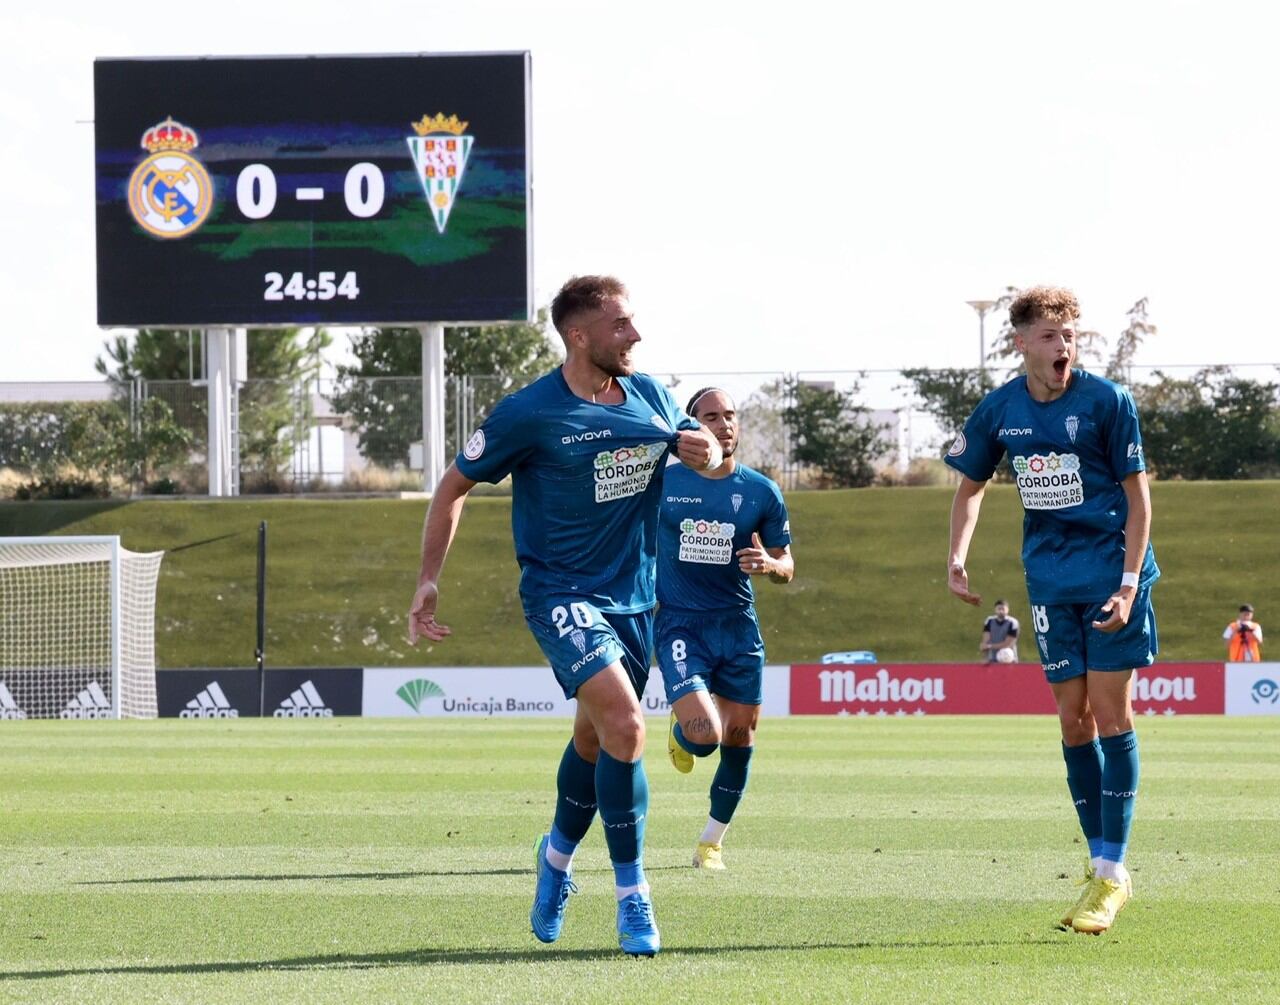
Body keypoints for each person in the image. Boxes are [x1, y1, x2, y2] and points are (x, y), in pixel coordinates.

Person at [406, 275, 721, 957]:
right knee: (628, 722)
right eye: (620, 325)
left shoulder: (652, 394)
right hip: (560, 593)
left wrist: (707, 450)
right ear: (579, 335)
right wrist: (429, 579)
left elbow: (701, 445)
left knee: (594, 739)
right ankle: (633, 895)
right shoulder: (531, 412)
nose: (634, 336)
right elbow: (454, 484)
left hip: (637, 598)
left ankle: (553, 859)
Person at [944, 285, 1159, 935]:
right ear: (1021, 343)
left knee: (1110, 711)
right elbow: (970, 486)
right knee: (1072, 721)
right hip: (1050, 582)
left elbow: (1141, 502)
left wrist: (1127, 586)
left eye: (1070, 336)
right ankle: (1100, 859)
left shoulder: (1107, 401)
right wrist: (957, 556)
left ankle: (1112, 871)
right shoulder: (1000, 409)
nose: (1063, 347)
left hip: (1113, 576)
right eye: (1049, 336)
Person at [655, 388, 794, 871]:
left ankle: (710, 843)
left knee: (740, 738)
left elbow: (787, 562)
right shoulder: (662, 483)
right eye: (711, 416)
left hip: (738, 628)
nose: (723, 424)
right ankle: (682, 730)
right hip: (679, 625)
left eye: (730, 415)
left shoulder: (761, 491)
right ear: (691, 427)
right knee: (705, 736)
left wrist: (770, 565)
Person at [981, 599, 1020, 663]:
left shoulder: (1013, 622)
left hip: (1009, 658)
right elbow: (986, 640)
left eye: (1003, 609)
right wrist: (985, 655)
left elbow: (1009, 643)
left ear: (1007, 610)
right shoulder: (989, 621)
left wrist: (989, 646)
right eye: (999, 609)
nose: (1001, 611)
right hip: (993, 659)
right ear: (995, 610)